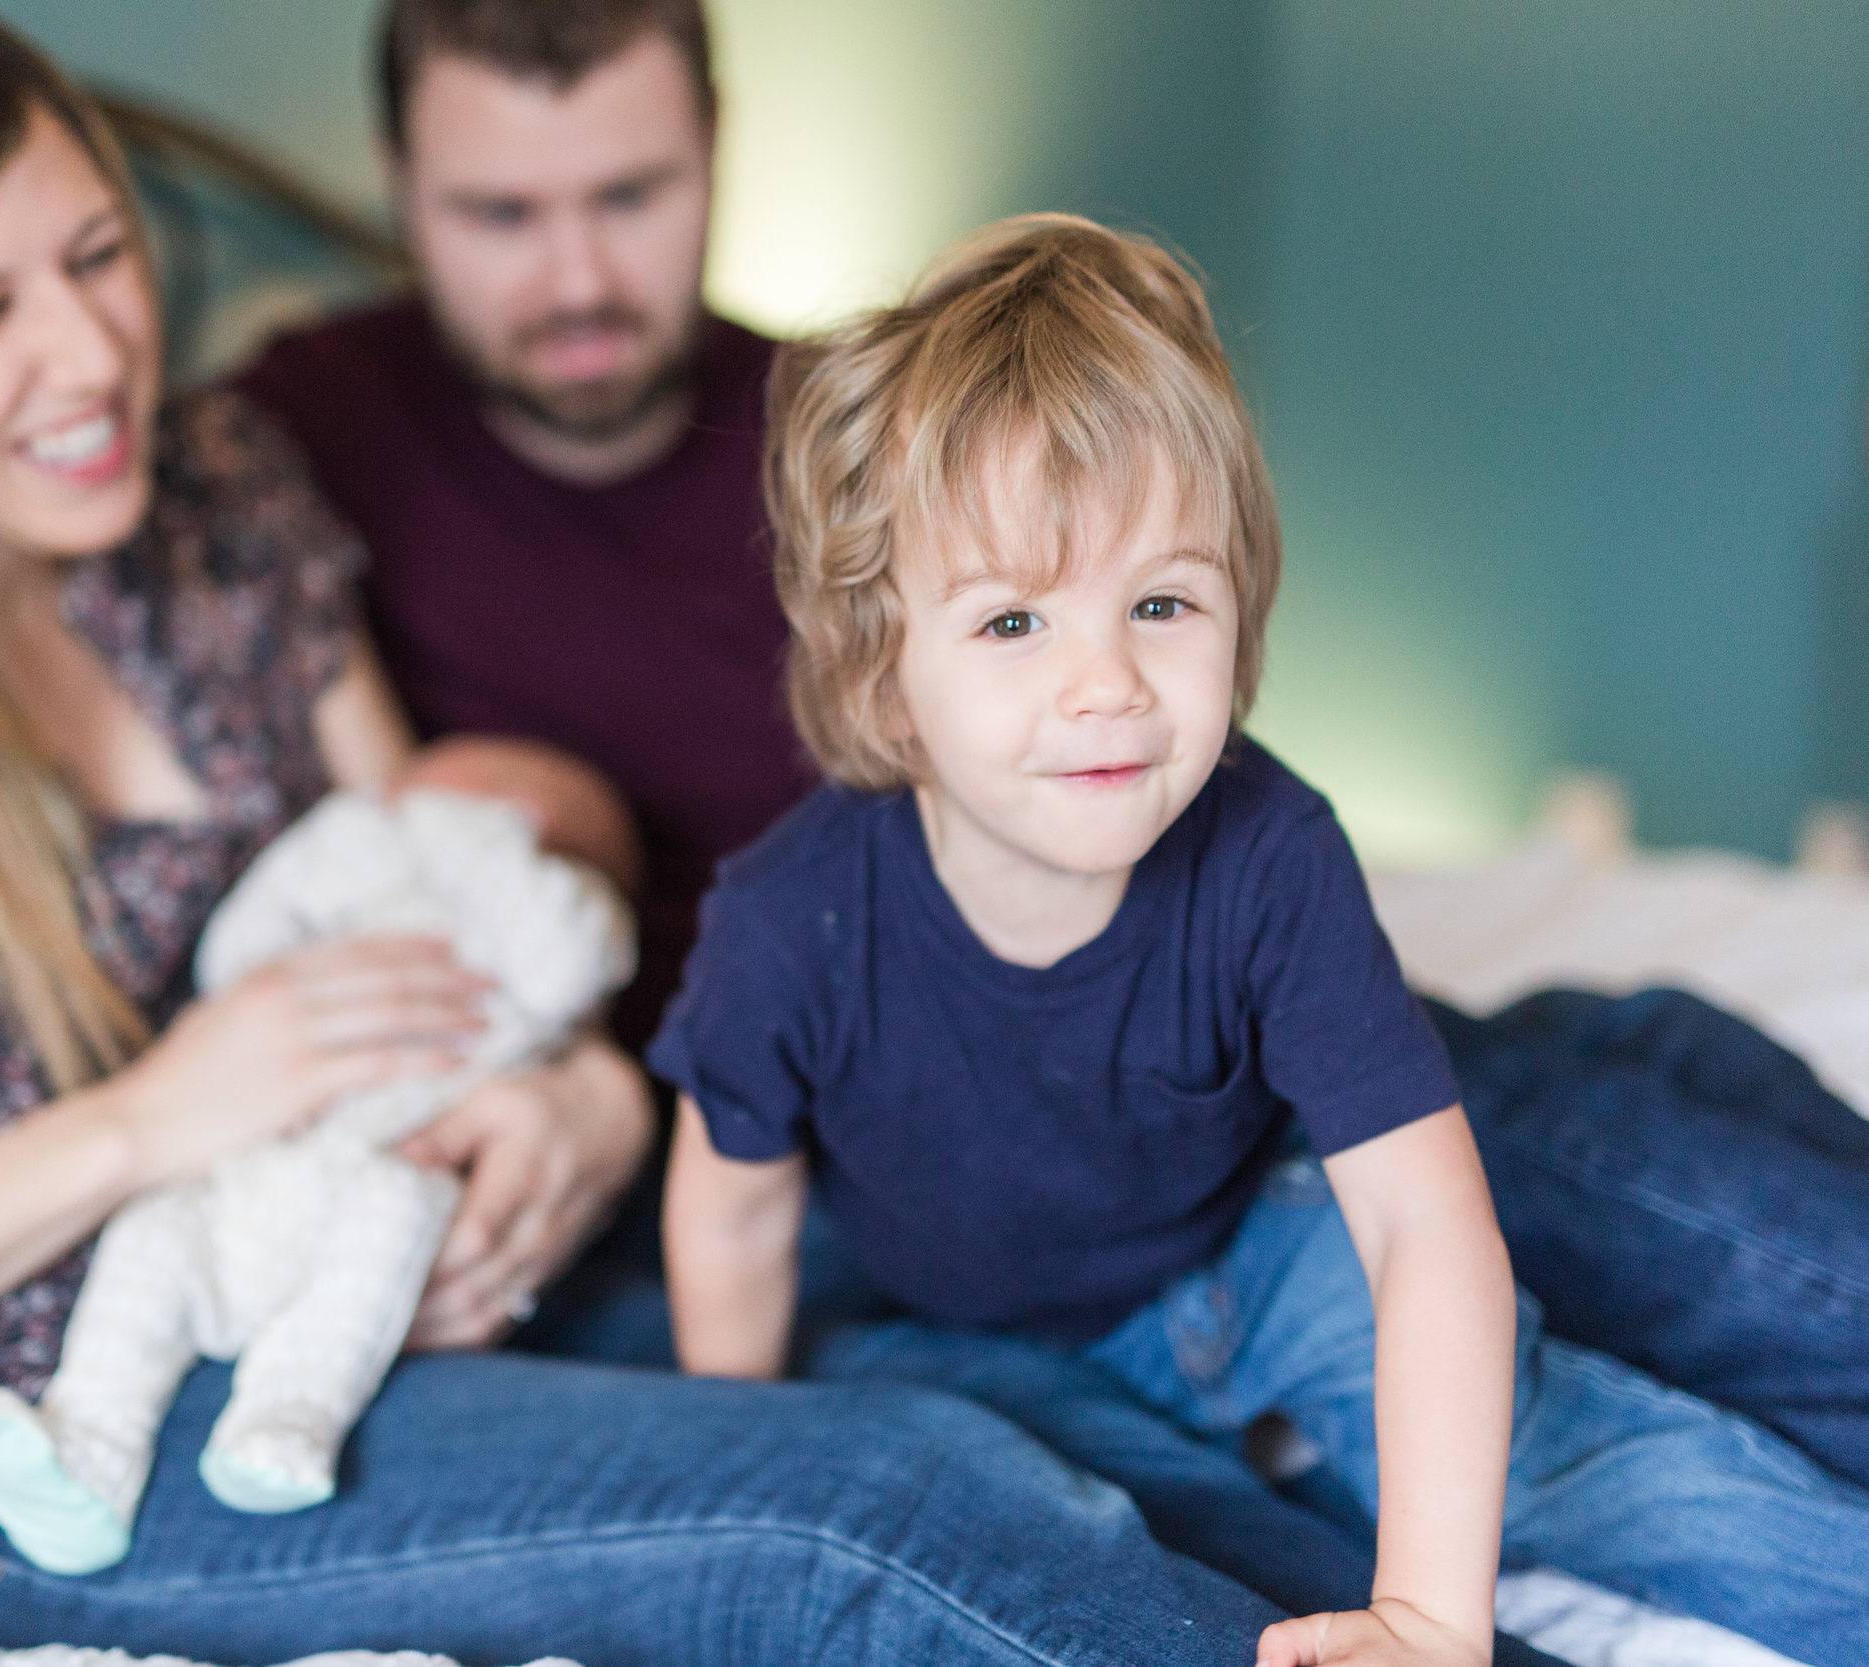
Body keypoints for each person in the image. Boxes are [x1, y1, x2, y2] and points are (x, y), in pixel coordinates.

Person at [0, 0, 1863, 1646]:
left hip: (505, 1215)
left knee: (1592, 1128)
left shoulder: (215, 512)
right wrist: (149, 1117)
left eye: (102, 253)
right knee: (900, 1500)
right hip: (8, 1412)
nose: (89, 346)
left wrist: (571, 1082)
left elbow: (478, 882)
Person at [651, 212, 1869, 1667]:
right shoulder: (790, 928)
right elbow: (729, 1223)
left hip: (1252, 1246)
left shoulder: (1271, 853)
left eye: (1161, 602)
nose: (1107, 682)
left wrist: (1429, 1612)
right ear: (886, 668)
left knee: (1574, 1456)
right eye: (1014, 623)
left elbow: (1424, 1229)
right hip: (978, 1327)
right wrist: (745, 1462)